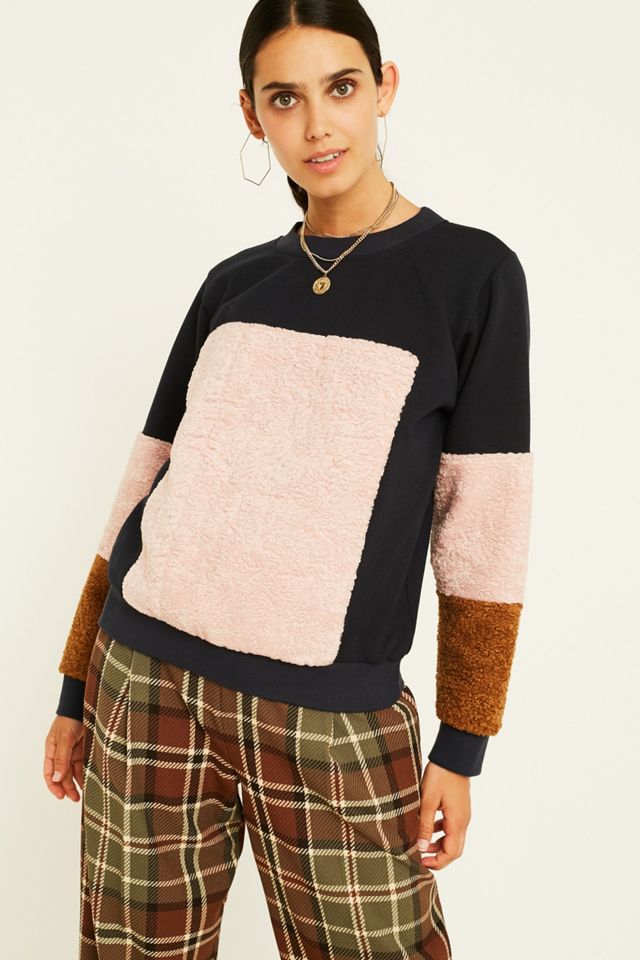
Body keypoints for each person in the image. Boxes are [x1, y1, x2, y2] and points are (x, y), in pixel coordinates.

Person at [43, 2, 533, 957]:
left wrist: (463, 743)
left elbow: (486, 525)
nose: (317, 124)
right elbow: (146, 480)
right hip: (144, 682)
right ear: (250, 113)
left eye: (341, 88)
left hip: (333, 714)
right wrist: (74, 687)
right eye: (284, 98)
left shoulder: (472, 277)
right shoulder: (234, 284)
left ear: (384, 88)